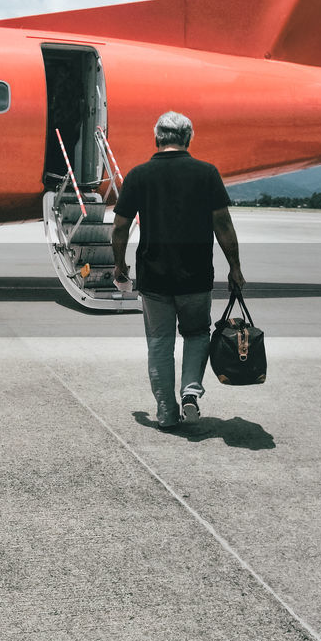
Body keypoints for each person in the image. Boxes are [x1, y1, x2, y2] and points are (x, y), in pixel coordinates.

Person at [111, 111, 245, 429]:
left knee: (159, 342)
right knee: (197, 334)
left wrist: (120, 266)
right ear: (188, 139)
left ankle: (166, 412)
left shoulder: (138, 175)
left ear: (157, 138)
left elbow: (119, 228)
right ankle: (190, 392)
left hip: (154, 277)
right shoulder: (206, 173)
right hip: (196, 276)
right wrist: (235, 268)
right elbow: (223, 224)